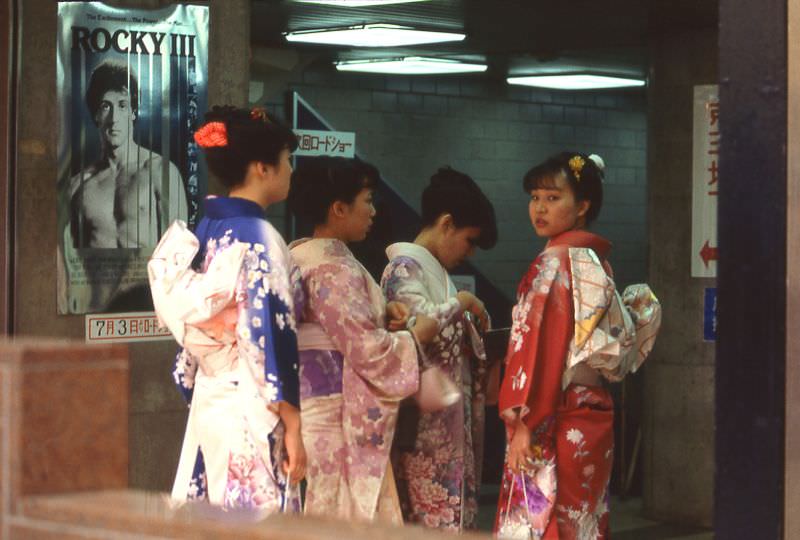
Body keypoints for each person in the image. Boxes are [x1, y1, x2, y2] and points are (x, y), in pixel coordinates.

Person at [494, 152, 661, 539]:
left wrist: (527, 423)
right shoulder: (593, 259)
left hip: (556, 410)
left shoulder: (554, 262)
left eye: (553, 198)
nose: (540, 208)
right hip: (592, 411)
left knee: (542, 521)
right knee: (581, 518)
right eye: (535, 197)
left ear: (582, 206)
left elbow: (539, 346)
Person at [147, 105, 305, 514]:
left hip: (210, 394)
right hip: (250, 402)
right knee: (255, 518)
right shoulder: (260, 237)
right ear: (261, 168)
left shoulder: (208, 227)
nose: (291, 170)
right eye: (288, 160)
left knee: (214, 513)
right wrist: (292, 421)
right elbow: (270, 336)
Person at [287, 156, 439, 524]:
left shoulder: (297, 257)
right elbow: (369, 352)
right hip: (335, 417)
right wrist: (416, 335)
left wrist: (384, 315)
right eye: (367, 200)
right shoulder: (334, 269)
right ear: (339, 208)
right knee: (342, 519)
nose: (373, 210)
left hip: (307, 408)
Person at [380, 167, 497, 531]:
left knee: (448, 514)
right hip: (424, 423)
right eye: (469, 240)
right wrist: (459, 305)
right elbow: (416, 335)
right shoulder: (402, 269)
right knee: (428, 516)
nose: (470, 251)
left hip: (444, 416)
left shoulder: (428, 271)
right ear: (446, 223)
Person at [70, 60, 187, 249]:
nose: (114, 119)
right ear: (95, 115)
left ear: (133, 112)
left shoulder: (161, 172)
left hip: (149, 278)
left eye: (122, 105)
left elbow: (180, 252)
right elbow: (69, 261)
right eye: (106, 106)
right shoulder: (78, 186)